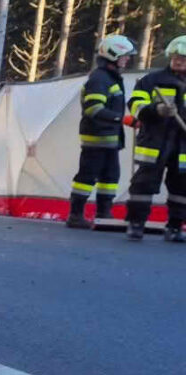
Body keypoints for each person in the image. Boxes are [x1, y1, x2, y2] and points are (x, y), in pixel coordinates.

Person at [66, 35, 135, 229]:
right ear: (114, 54)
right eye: (125, 55)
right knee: (87, 177)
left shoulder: (110, 77)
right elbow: (93, 109)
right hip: (96, 138)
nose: (127, 59)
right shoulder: (99, 79)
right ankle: (75, 215)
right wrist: (122, 119)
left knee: (110, 177)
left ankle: (104, 214)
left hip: (109, 139)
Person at [124, 35, 186, 242]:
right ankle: (136, 224)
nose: (178, 60)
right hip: (154, 142)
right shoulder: (151, 80)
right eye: (176, 56)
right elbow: (134, 105)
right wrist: (156, 110)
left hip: (183, 145)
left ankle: (175, 227)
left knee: (182, 187)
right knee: (143, 184)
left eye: (184, 58)